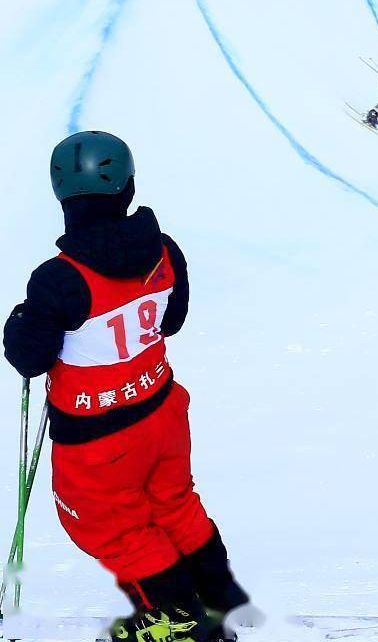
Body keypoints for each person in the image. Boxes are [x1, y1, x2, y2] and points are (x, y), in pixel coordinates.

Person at [5, 133, 257, 642]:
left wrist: (19, 323)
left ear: (61, 197)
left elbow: (29, 358)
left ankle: (180, 621)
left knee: (111, 527)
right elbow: (172, 320)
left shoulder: (59, 279)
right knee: (173, 501)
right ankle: (220, 597)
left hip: (100, 439)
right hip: (161, 411)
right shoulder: (164, 251)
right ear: (129, 186)